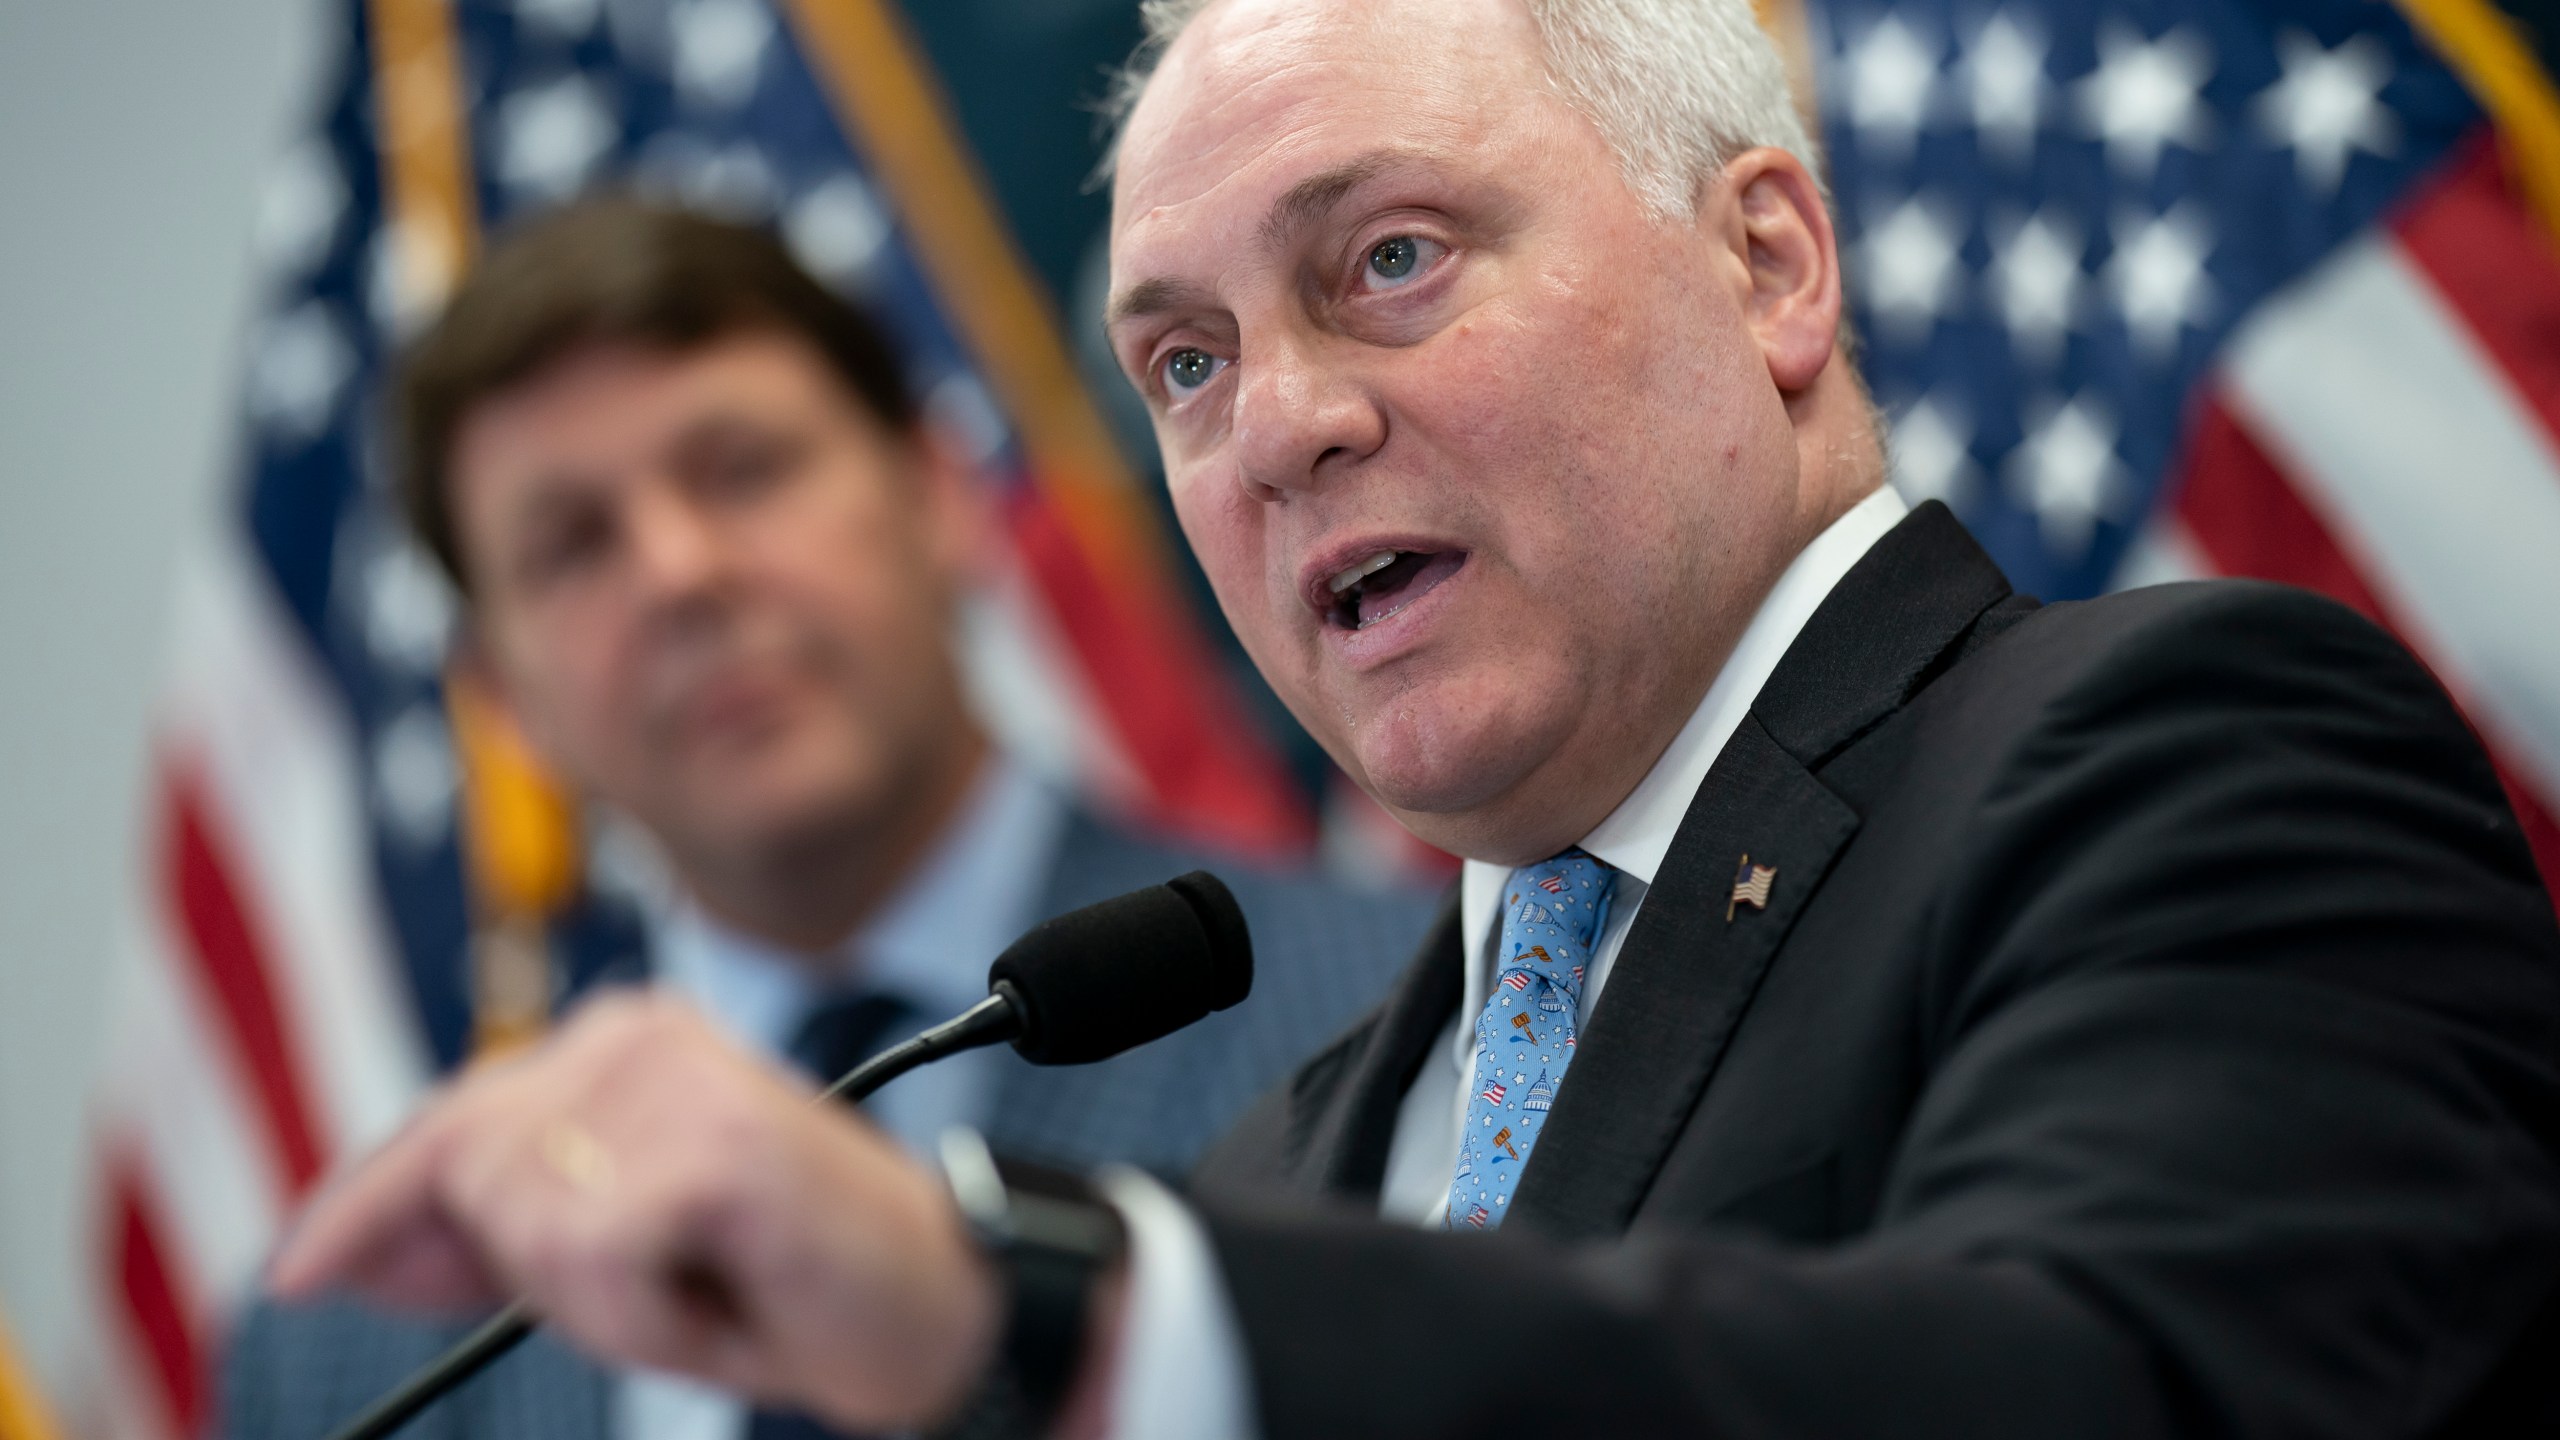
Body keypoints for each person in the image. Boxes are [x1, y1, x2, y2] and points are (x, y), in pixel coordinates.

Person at [266, 2, 2560, 1437]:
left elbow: (2089, 1385)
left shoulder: (2182, 756)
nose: (1271, 425)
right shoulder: (1288, 1149)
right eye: (1178, 360)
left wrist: (1042, 1307)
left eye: (1384, 261)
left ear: (1766, 260)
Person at [220, 196, 1435, 1440]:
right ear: (501, 702)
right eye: (572, 545)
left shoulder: (1417, 1015)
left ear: (940, 500)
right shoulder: (349, 1345)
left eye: (743, 471)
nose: (678, 574)